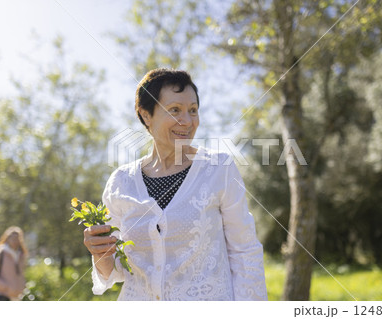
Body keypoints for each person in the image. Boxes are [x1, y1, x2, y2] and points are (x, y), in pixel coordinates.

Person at [83, 68, 268, 300]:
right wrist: (100, 254)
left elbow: (245, 253)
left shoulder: (218, 168)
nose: (187, 121)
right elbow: (117, 272)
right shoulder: (121, 182)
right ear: (146, 115)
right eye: (175, 110)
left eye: (193, 110)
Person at [0, 226, 27, 301]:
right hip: (2, 296)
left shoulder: (20, 255)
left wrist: (22, 286)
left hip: (17, 297)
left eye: (17, 238)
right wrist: (5, 287)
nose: (14, 241)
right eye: (12, 238)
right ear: (7, 238)